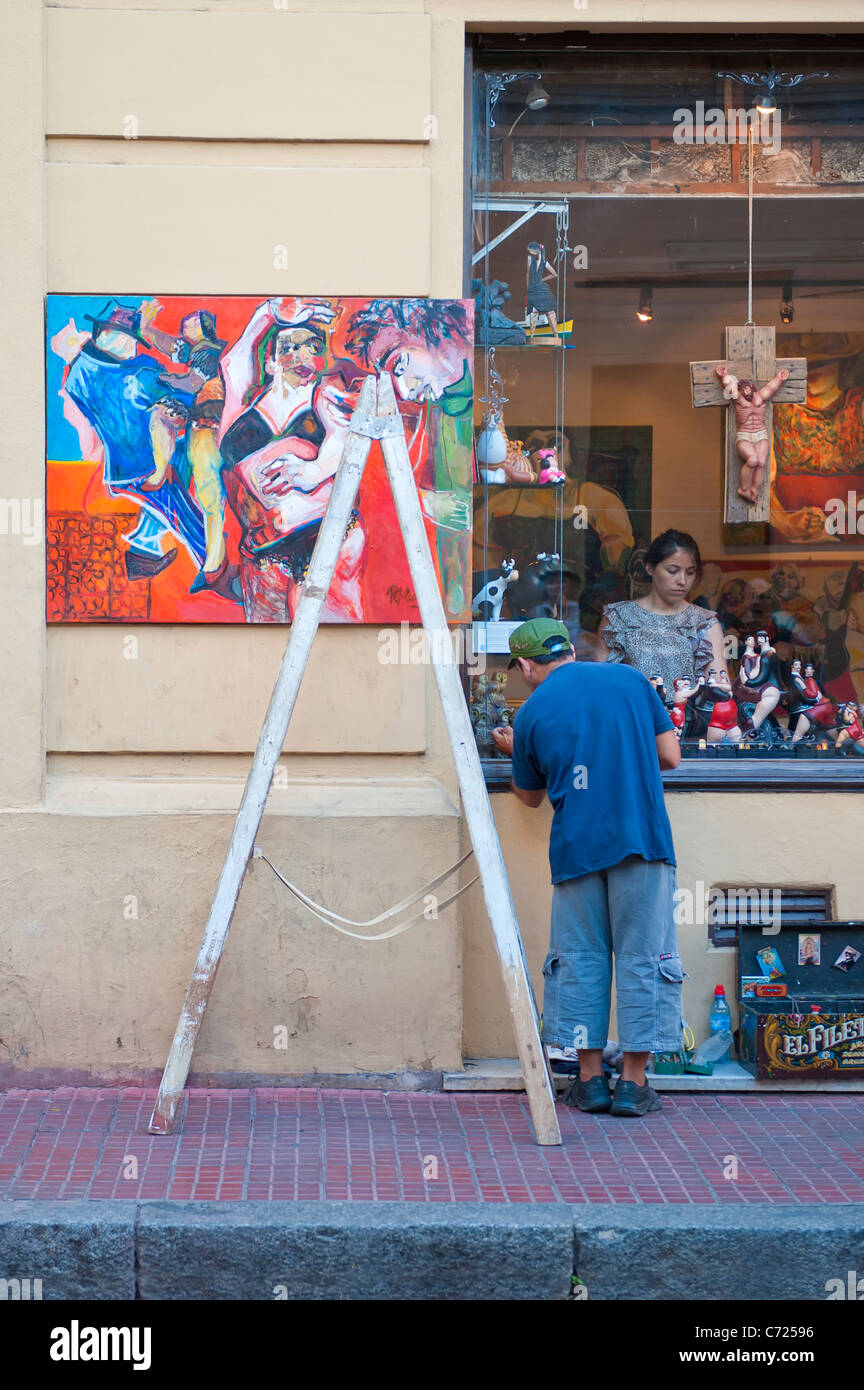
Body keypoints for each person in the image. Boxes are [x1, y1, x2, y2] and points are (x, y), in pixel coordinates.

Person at [490, 617, 684, 1119]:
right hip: (641, 841)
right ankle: (635, 1085)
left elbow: (530, 799)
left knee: (580, 961)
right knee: (645, 958)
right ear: (570, 652)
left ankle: (592, 1081)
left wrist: (515, 753)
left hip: (576, 850)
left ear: (528, 665)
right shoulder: (630, 680)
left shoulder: (532, 712)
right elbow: (671, 755)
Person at [599, 529, 728, 696]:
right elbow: (599, 686)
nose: (682, 581)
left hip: (685, 719)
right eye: (672, 571)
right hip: (632, 718)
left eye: (690, 572)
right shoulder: (617, 617)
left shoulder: (704, 622)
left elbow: (718, 692)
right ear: (650, 567)